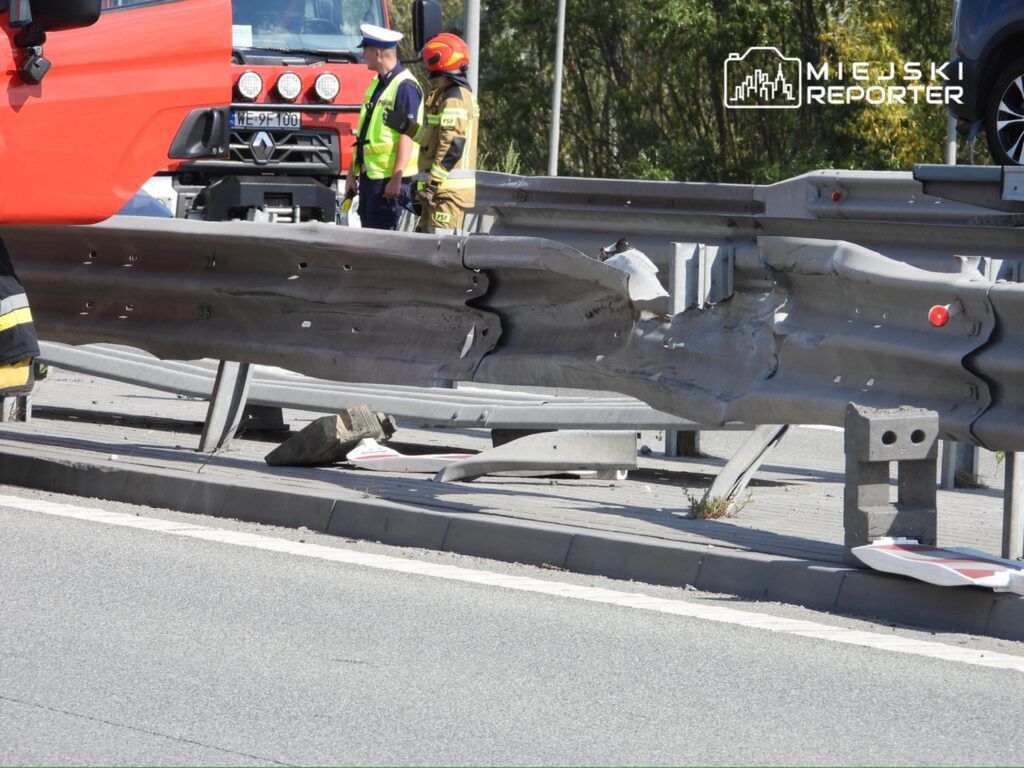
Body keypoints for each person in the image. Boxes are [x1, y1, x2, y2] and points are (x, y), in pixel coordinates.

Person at [384, 33, 478, 233]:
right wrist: (406, 127)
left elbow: (453, 146)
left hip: (447, 193)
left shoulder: (455, 99)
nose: (426, 66)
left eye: (429, 60)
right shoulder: (443, 96)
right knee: (425, 249)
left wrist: (432, 185)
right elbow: (431, 140)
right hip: (437, 193)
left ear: (439, 60)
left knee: (440, 251)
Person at [344, 23, 423, 231]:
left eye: (366, 50)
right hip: (371, 180)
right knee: (369, 243)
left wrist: (396, 178)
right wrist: (352, 174)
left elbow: (407, 136)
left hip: (389, 184)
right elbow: (364, 133)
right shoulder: (377, 83)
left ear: (377, 53)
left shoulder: (405, 87)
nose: (363, 55)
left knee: (383, 245)